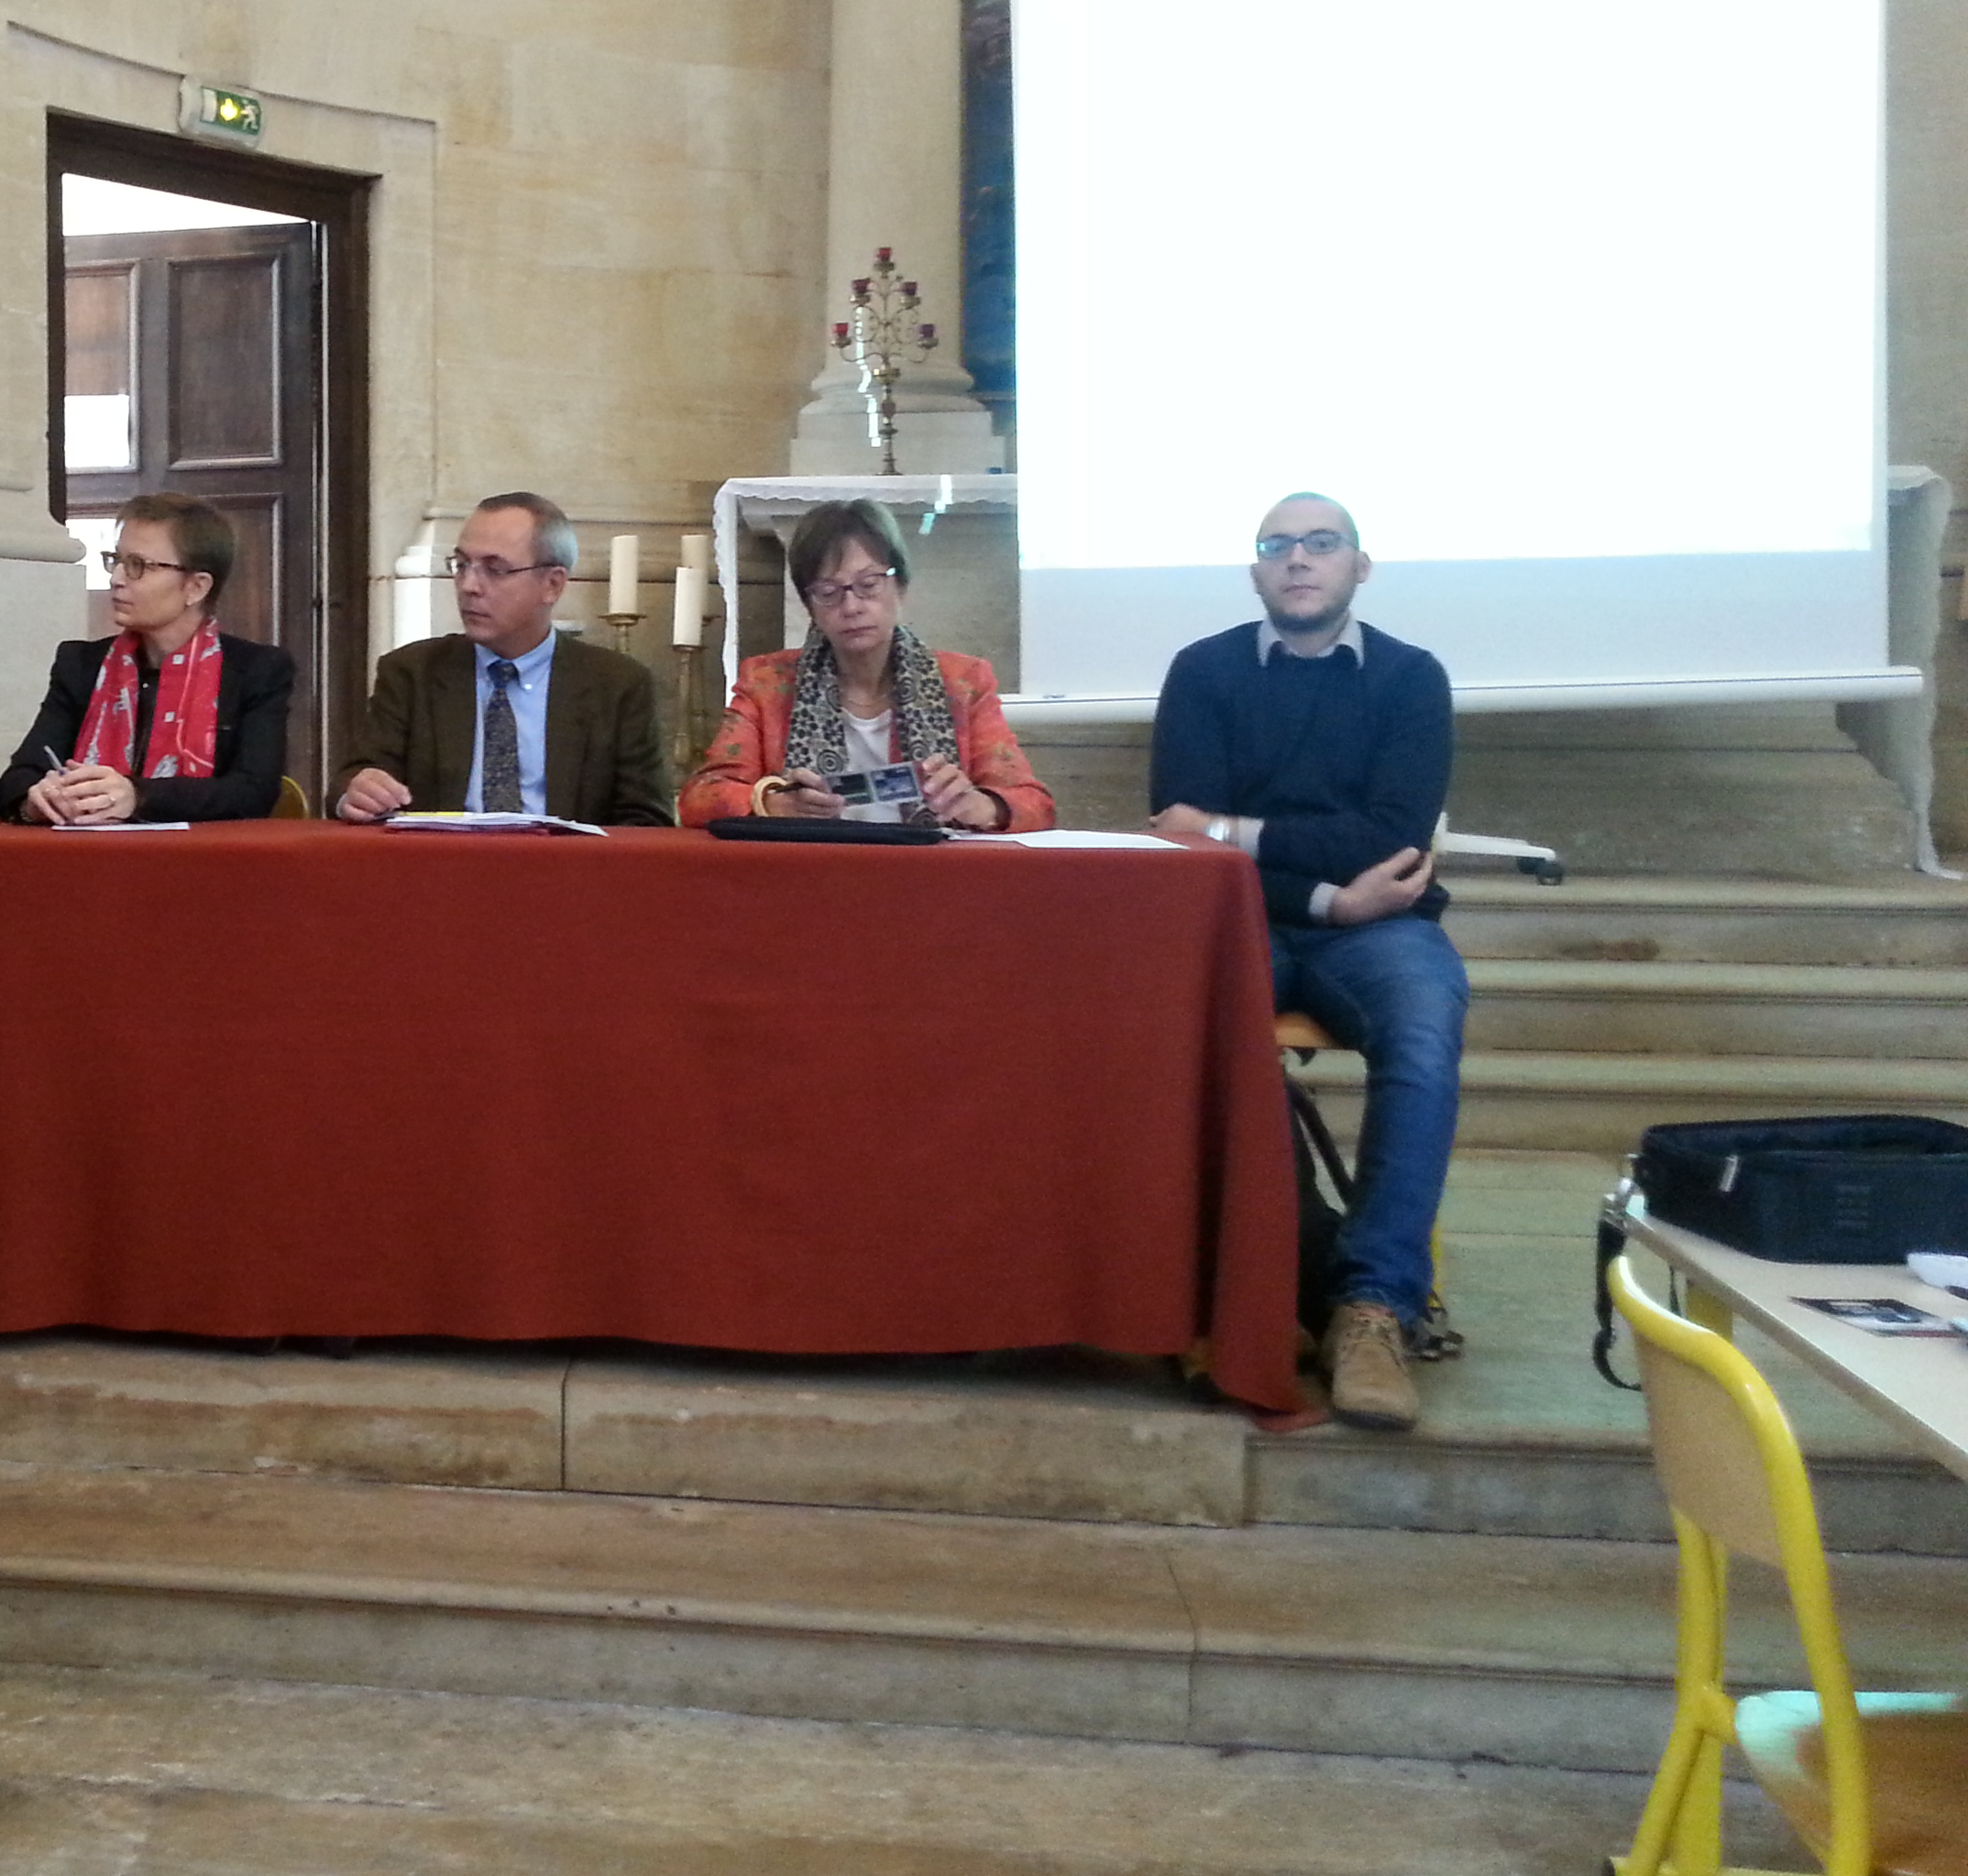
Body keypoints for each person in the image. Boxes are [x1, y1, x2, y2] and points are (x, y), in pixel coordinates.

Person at [1145, 491, 1466, 1432]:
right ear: (1255, 571)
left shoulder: (1410, 679)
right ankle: (1285, 1280)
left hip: (1382, 929)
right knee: (1196, 1036)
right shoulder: (1203, 672)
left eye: (1321, 543)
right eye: (1277, 545)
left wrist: (1236, 833)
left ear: (1358, 566)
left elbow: (1390, 836)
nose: (1297, 559)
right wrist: (1332, 896)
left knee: (1423, 1031)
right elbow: (1179, 839)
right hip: (1239, 919)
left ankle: (1373, 1308)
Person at [681, 499, 1054, 834]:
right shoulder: (767, 683)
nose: (852, 607)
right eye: (828, 592)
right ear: (810, 606)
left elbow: (1034, 804)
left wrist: (982, 806)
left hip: (930, 874)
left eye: (869, 584)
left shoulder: (964, 682)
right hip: (811, 874)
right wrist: (771, 803)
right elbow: (699, 797)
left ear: (900, 587)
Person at [332, 491, 670, 828]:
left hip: (564, 861)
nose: (469, 585)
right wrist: (357, 793)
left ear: (552, 585)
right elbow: (354, 779)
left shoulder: (617, 685)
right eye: (462, 565)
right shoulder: (412, 673)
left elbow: (646, 819)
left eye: (495, 569)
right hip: (441, 859)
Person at [0, 491, 294, 825]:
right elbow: (19, 775)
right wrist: (34, 801)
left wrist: (138, 796)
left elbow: (253, 793)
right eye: (116, 560)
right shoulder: (81, 664)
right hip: (85, 852)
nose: (116, 578)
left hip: (201, 853)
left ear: (196, 587)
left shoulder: (257, 670)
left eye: (138, 566)